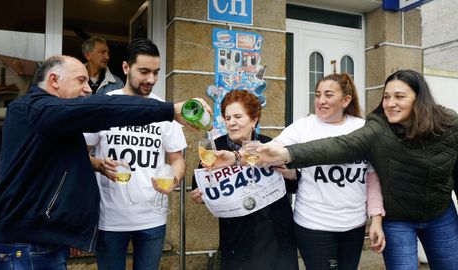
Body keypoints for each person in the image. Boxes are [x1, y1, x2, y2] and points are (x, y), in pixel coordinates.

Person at [213, 70, 458, 269]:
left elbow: (372, 177)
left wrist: (374, 217)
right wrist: (237, 157)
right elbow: (325, 147)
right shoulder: (369, 129)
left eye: (399, 97)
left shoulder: (443, 125)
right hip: (344, 222)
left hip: (419, 216)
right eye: (386, 97)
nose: (390, 104)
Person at [0, 55, 210, 270]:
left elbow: (54, 161)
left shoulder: (46, 115)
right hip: (28, 246)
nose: (87, 88)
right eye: (81, 80)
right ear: (54, 80)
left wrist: (96, 164)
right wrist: (171, 110)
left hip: (41, 242)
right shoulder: (39, 109)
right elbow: (102, 109)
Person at [84, 38, 186, 270]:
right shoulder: (105, 105)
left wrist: (175, 179)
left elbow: (177, 159)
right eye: (144, 71)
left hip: (152, 219)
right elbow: (79, 154)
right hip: (110, 218)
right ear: (126, 68)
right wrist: (98, 164)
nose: (151, 79)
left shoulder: (164, 110)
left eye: (156, 72)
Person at [272, 73, 385, 269]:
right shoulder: (304, 126)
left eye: (328, 95)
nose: (321, 101)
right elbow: (275, 148)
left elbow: (372, 180)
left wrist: (376, 220)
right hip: (314, 225)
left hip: (354, 226)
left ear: (346, 100)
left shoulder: (363, 129)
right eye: (317, 95)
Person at [191, 90, 299, 270]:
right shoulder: (216, 148)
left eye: (238, 117)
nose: (231, 123)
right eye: (227, 118)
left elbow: (294, 185)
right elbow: (199, 186)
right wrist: (199, 195)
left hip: (277, 235)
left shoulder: (269, 145)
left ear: (254, 120)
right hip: (239, 238)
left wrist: (292, 175)